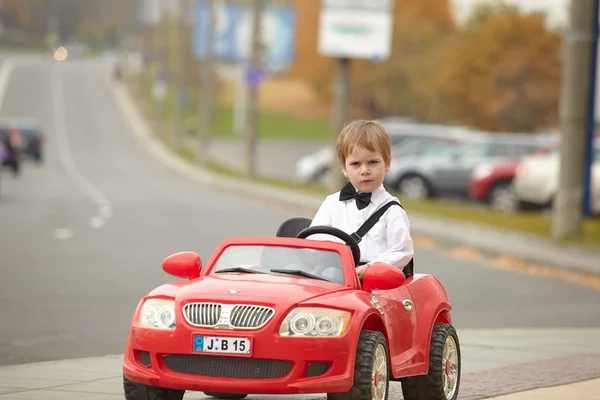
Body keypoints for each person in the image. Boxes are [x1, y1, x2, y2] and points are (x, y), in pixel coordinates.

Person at [309, 119, 414, 279]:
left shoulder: (392, 210)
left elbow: (401, 250)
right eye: (356, 164)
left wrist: (372, 268)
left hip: (376, 281)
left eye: (372, 162)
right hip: (336, 277)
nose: (364, 170)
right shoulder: (332, 203)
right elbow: (315, 239)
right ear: (344, 168)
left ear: (387, 162)